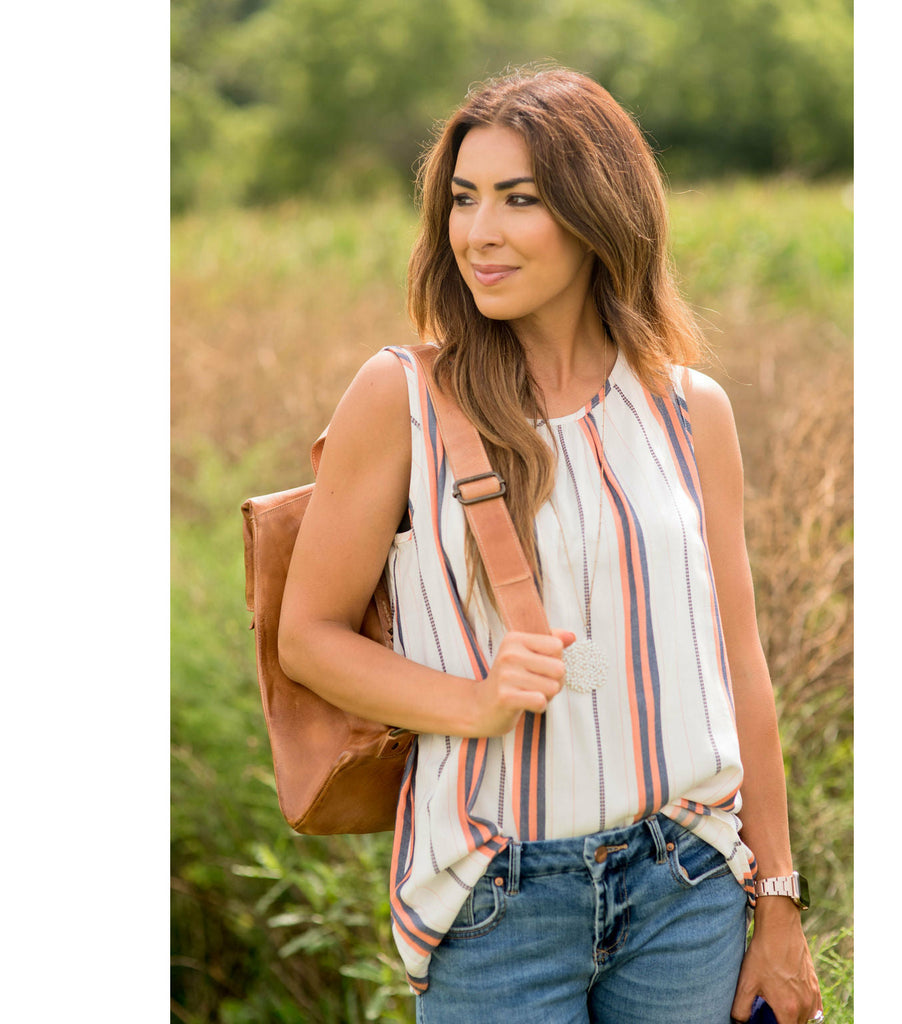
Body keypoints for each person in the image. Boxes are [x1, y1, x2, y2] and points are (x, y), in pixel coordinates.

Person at [278, 66, 823, 1024]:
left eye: (518, 200)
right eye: (463, 199)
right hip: (500, 901)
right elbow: (309, 635)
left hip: (687, 887)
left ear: (596, 212)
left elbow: (740, 667)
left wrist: (775, 903)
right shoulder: (399, 399)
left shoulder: (692, 412)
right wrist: (474, 701)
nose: (477, 232)